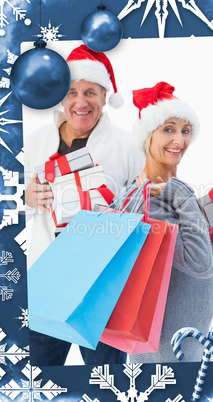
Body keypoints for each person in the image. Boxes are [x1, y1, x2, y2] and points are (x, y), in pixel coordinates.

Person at [24, 45, 144, 366]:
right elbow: (13, 204)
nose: (80, 102)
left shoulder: (128, 145)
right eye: (72, 92)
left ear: (105, 96)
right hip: (47, 284)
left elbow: (151, 202)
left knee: (107, 383)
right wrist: (27, 198)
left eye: (90, 92)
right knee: (40, 381)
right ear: (60, 96)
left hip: (104, 289)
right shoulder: (35, 141)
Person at [127, 81, 213, 363]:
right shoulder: (152, 199)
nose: (179, 141)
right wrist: (182, 193)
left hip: (183, 344)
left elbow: (187, 273)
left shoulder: (168, 191)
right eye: (168, 129)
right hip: (167, 352)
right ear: (147, 135)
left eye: (185, 131)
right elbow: (197, 266)